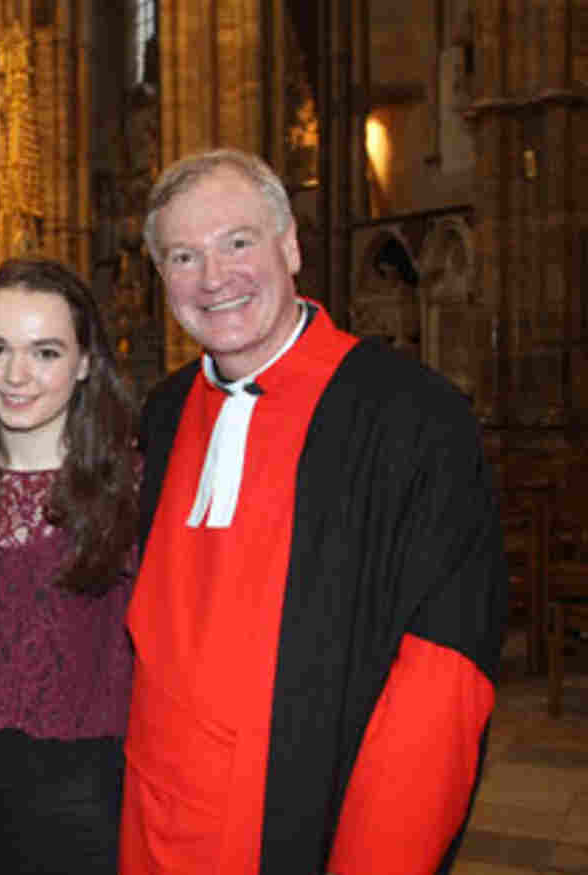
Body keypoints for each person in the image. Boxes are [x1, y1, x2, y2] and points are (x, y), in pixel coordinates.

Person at [123, 148, 507, 874]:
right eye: (183, 256)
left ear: (291, 246)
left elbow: (441, 682)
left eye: (238, 242)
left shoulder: (412, 417)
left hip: (304, 829)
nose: (213, 278)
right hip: (154, 827)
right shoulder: (165, 412)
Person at [0, 258, 138, 874]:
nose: (16, 375)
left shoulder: (129, 483)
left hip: (82, 806)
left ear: (85, 362)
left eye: (45, 352)